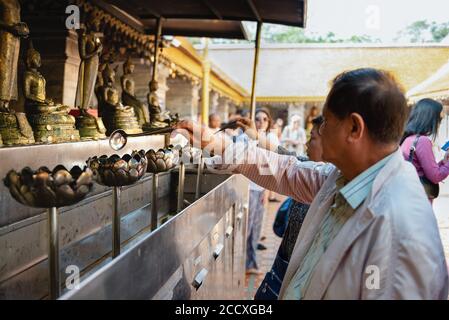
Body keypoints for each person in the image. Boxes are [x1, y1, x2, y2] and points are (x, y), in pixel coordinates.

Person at [176, 68, 448, 299]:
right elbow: (286, 171)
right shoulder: (347, 177)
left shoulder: (400, 231)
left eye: (326, 122)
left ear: (354, 128)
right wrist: (215, 142)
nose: (319, 131)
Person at [243, 107, 279, 275]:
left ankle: (251, 262)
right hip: (247, 187)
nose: (261, 122)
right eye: (258, 119)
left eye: (264, 119)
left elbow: (271, 166)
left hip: (260, 188)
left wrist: (266, 190)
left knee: (256, 227)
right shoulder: (245, 138)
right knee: (247, 227)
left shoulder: (270, 140)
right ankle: (243, 262)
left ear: (269, 121)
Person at [400, 98, 449, 202]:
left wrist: (444, 162)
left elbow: (423, 169)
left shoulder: (408, 139)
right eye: (439, 119)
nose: (439, 124)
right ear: (430, 119)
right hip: (420, 200)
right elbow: (436, 175)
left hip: (409, 196)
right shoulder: (422, 141)